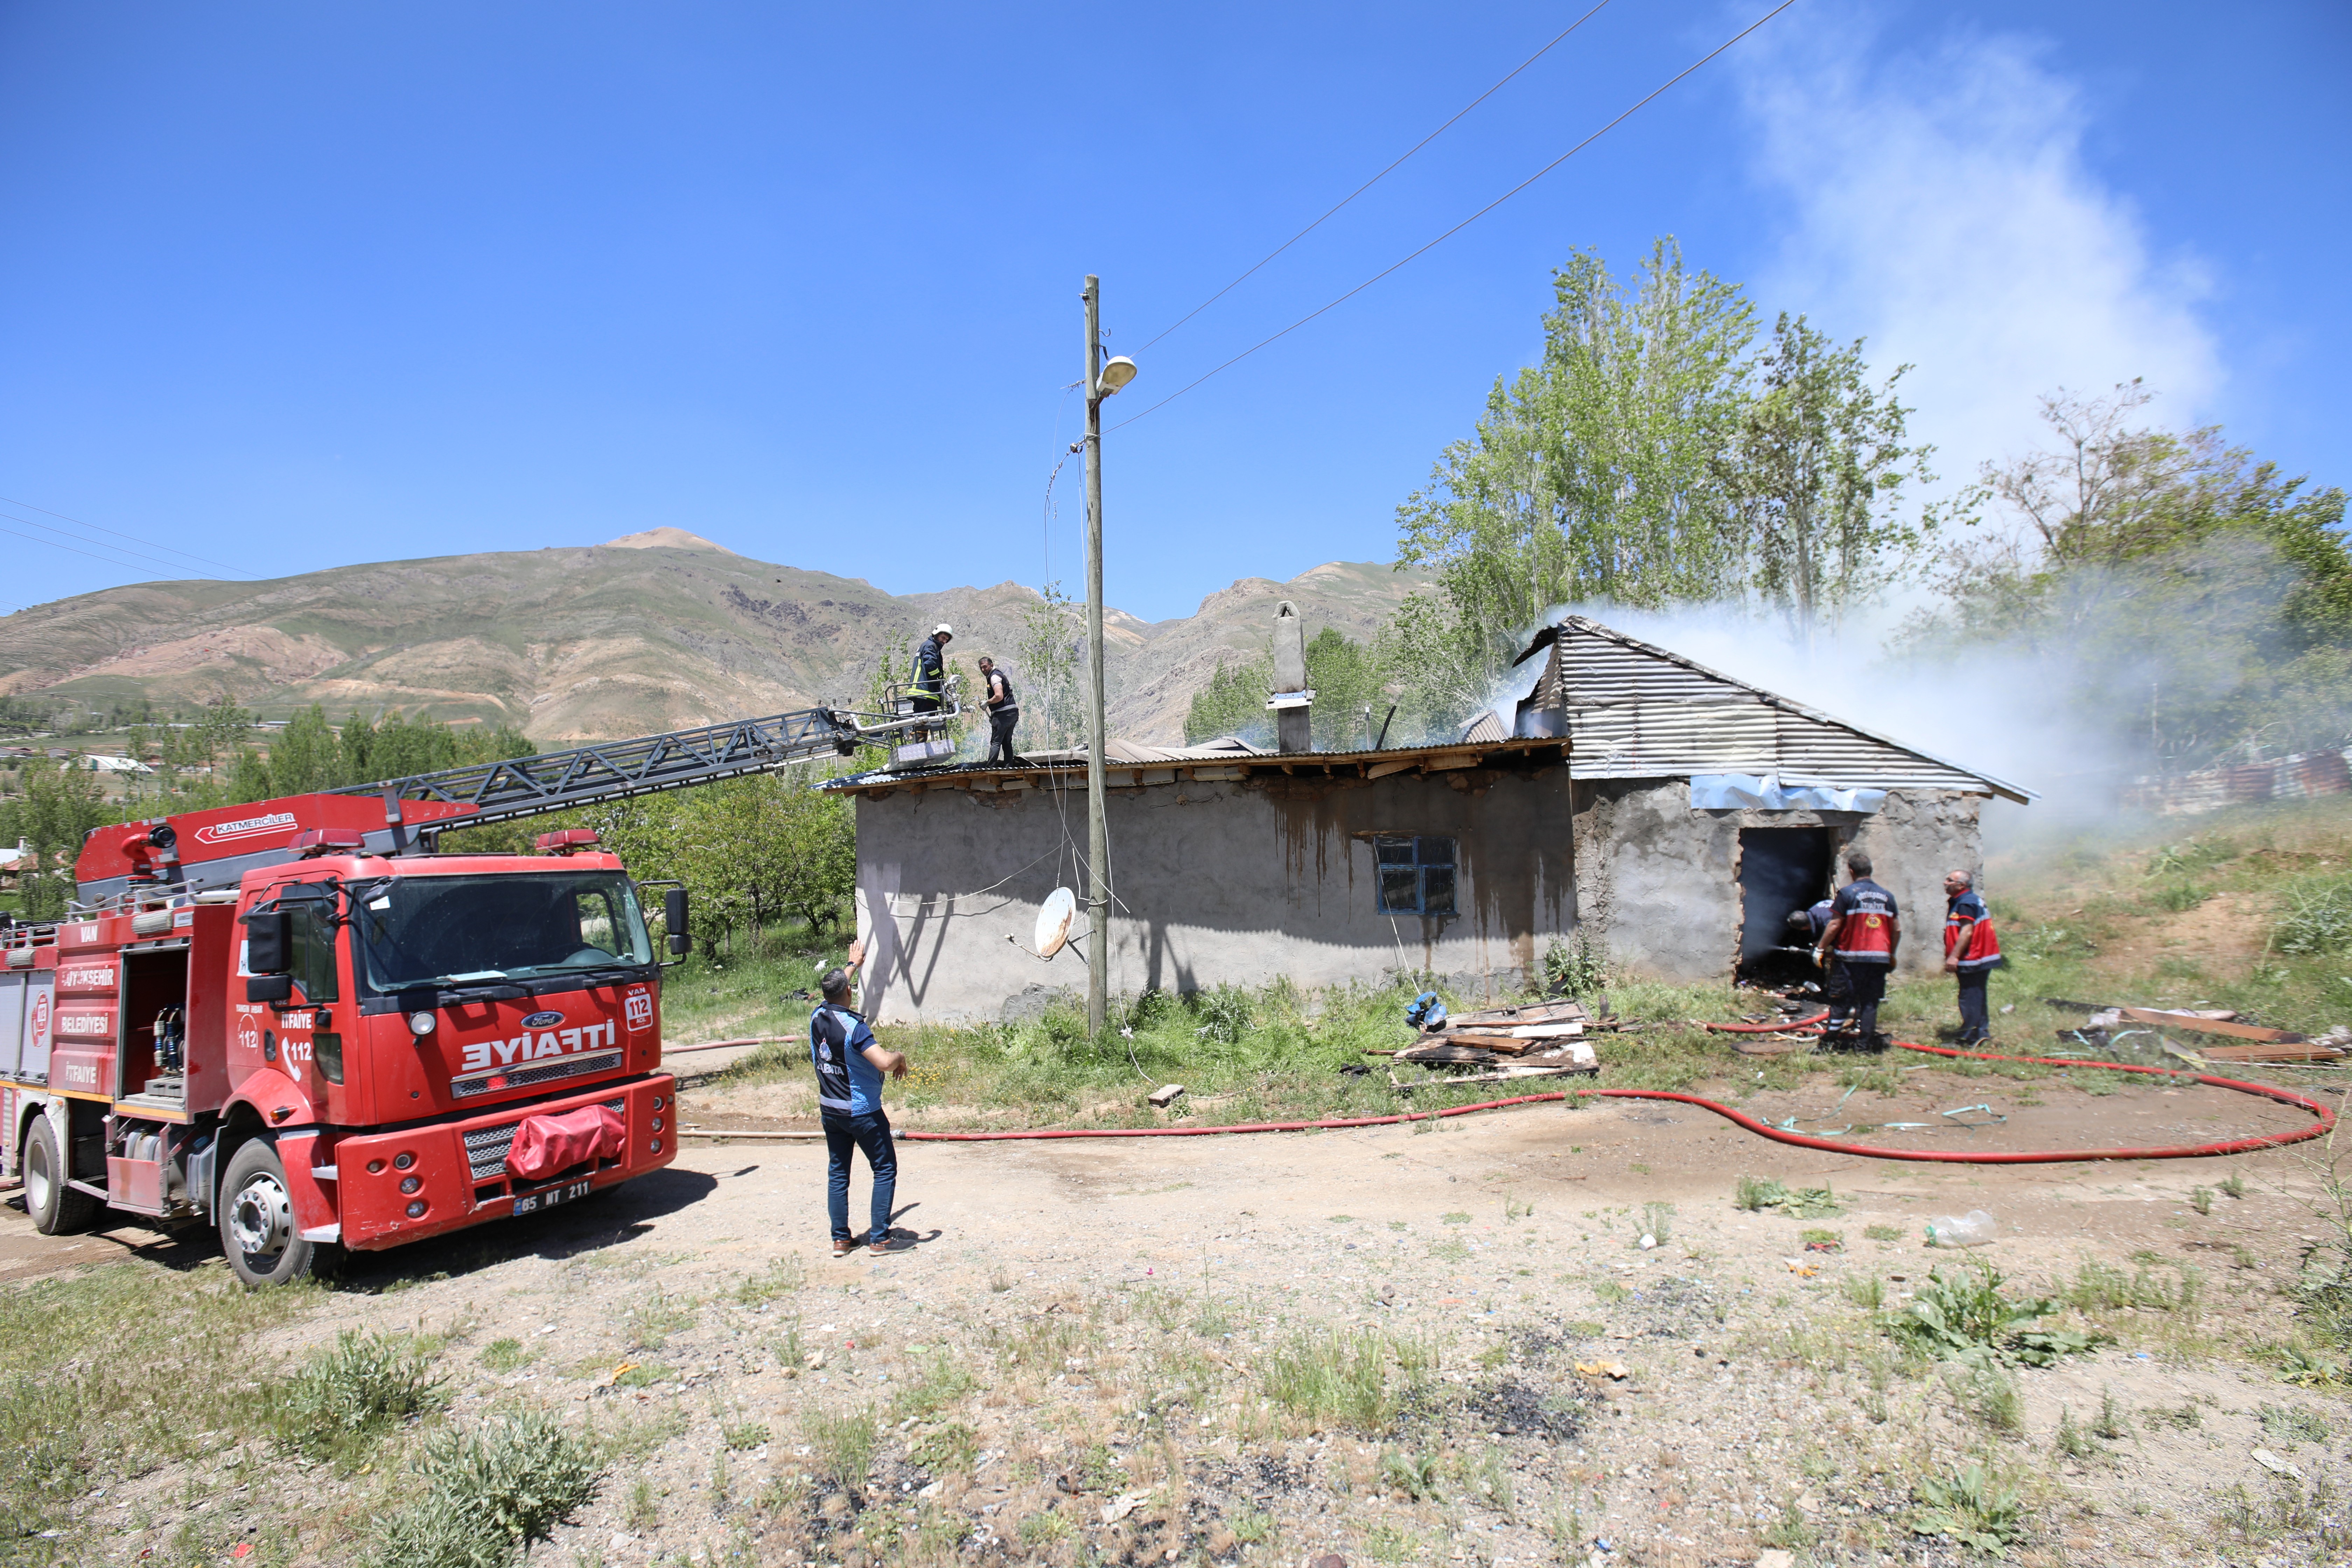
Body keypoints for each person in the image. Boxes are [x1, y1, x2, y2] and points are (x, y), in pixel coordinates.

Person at [809, 938, 910, 1256]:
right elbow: (882, 1062)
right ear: (850, 994)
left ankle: (841, 1239)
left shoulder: (816, 1016)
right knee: (884, 1168)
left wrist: (853, 964)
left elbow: (837, 989)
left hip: (830, 1110)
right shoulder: (855, 1027)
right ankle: (880, 1238)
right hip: (862, 1112)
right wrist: (901, 1057)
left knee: (839, 1172)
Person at [1813, 849, 1899, 1052]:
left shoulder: (1847, 894)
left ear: (1851, 871)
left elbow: (1834, 925)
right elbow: (1897, 929)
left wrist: (1820, 948)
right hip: (1879, 959)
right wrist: (1891, 955)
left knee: (1841, 1000)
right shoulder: (1888, 896)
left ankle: (1828, 1044)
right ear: (1870, 870)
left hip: (1850, 959)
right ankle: (1864, 1046)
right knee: (1870, 1002)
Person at [1942, 869, 2005, 1045]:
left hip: (1973, 958)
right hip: (1981, 957)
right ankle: (1982, 1033)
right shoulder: (1968, 900)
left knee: (1969, 997)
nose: (1945, 883)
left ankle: (1970, 1038)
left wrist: (1954, 957)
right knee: (1977, 996)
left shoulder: (1966, 902)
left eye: (1950, 880)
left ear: (1961, 885)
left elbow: (1967, 932)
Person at [1784, 898, 1849, 1015]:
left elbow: (1837, 930)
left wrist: (1821, 949)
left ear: (1804, 927)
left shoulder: (1826, 920)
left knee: (1841, 969)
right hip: (1847, 932)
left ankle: (1842, 1001)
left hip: (1856, 939)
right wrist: (1821, 942)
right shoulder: (1816, 909)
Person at [976, 656, 1020, 766]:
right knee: (1007, 741)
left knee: (996, 742)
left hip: (1003, 713)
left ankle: (990, 768)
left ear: (991, 665)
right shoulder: (999, 675)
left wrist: (987, 703)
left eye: (985, 667)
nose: (983, 670)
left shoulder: (995, 677)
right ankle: (1009, 766)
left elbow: (999, 696)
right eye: (981, 668)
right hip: (1013, 712)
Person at [908, 624, 952, 718]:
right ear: (936, 634)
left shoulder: (926, 645)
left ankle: (915, 733)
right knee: (926, 723)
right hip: (926, 693)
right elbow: (931, 667)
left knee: (918, 722)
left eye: (946, 640)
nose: (944, 641)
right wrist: (940, 679)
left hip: (919, 693)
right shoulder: (931, 646)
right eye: (943, 638)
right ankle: (920, 733)